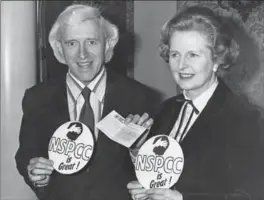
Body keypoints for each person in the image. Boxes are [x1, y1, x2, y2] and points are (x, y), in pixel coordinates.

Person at [15, 3, 159, 200]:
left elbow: (154, 172)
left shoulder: (140, 97)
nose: (82, 54)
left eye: (91, 42)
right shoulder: (37, 98)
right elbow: (25, 156)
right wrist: (37, 175)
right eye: (72, 43)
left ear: (107, 44)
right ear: (59, 48)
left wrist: (137, 149)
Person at [127, 5, 264, 200]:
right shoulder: (167, 109)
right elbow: (166, 175)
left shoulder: (245, 118)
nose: (182, 65)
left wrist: (182, 199)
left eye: (193, 55)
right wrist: (143, 175)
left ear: (217, 59)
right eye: (175, 54)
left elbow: (250, 195)